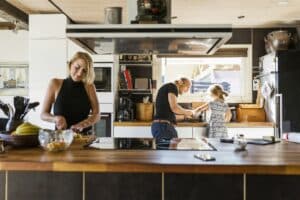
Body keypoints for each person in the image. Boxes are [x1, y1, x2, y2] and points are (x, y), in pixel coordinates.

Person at [41, 52, 100, 133]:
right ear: (70, 64)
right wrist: (55, 118)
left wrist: (82, 124)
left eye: (84, 71)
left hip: (83, 139)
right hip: (61, 140)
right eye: (77, 67)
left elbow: (96, 114)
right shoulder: (55, 83)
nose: (79, 73)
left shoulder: (89, 87)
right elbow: (43, 114)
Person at [151, 77, 196, 144]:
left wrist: (185, 116)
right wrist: (188, 112)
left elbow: (169, 113)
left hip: (161, 126)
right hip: (164, 127)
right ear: (181, 83)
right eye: (187, 87)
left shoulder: (168, 88)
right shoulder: (172, 86)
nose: (187, 90)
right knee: (170, 153)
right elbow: (174, 108)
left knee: (168, 153)